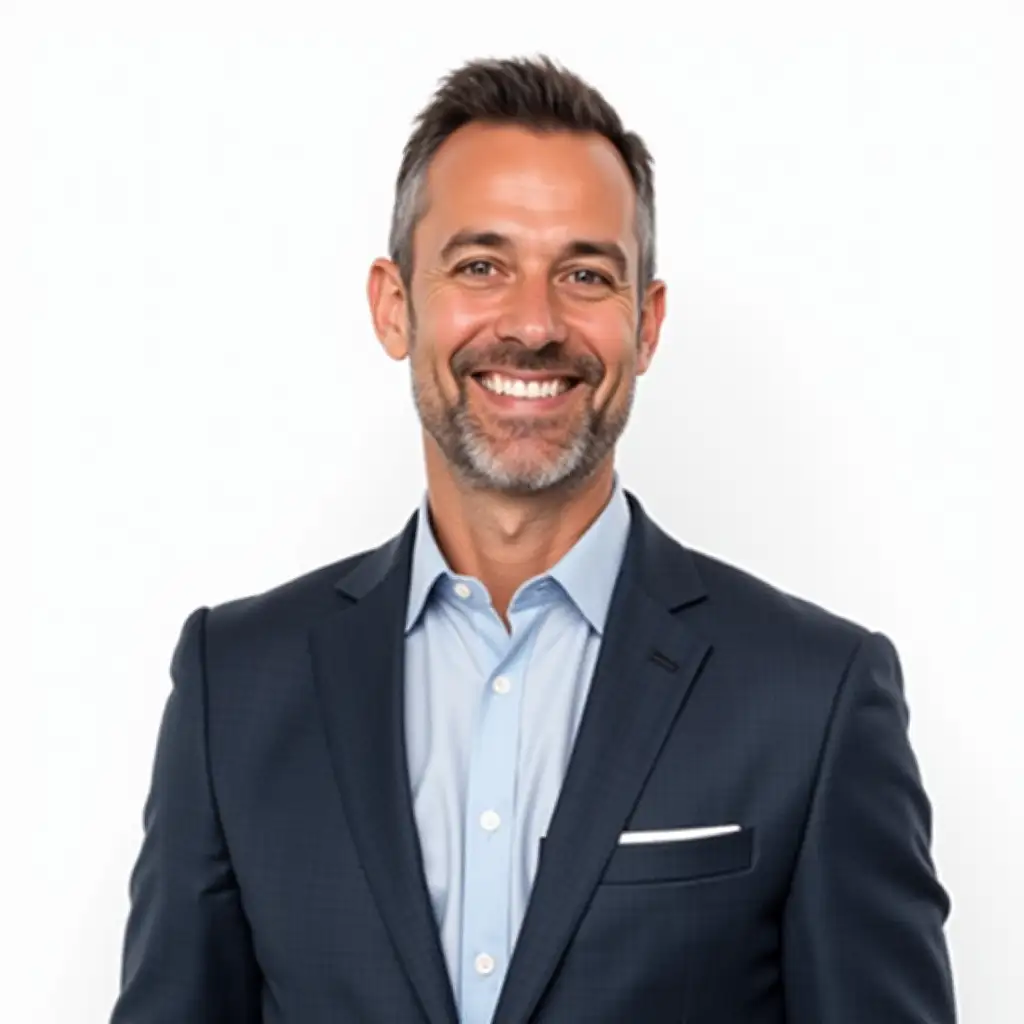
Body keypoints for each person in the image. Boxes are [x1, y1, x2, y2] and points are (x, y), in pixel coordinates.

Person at [110, 55, 957, 1024]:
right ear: (396, 305)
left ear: (645, 323)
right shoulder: (238, 684)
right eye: (480, 265)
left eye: (585, 274)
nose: (533, 323)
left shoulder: (813, 695)